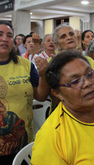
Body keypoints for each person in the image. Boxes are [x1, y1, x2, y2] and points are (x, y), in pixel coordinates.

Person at [0, 21, 49, 164]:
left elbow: (40, 96)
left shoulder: (25, 64)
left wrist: (43, 75)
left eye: (9, 35)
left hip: (21, 141)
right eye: (0, 34)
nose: (4, 39)